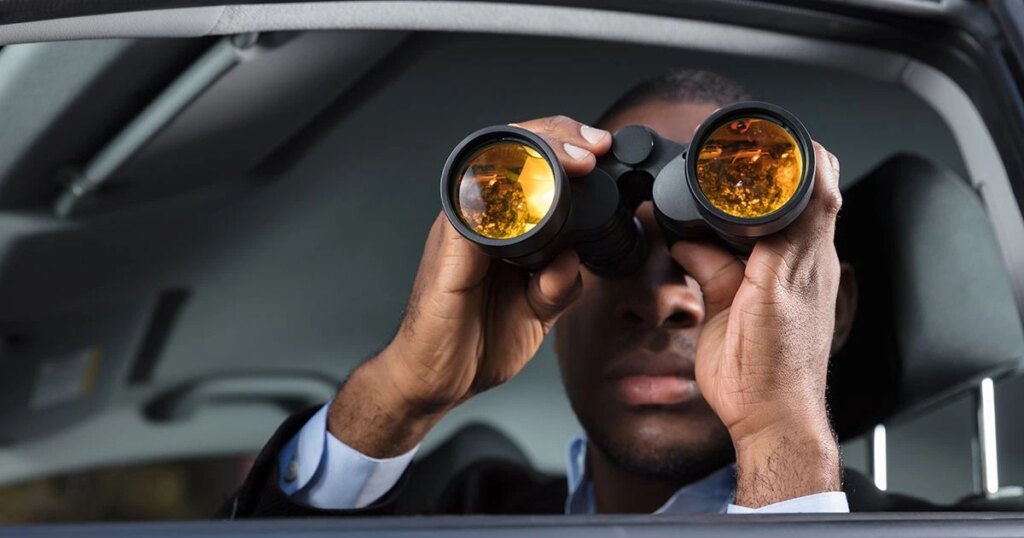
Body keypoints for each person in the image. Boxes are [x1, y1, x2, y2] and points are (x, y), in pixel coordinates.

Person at [221, 69, 864, 518]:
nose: (663, 300)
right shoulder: (462, 514)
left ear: (828, 309)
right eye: (613, 250)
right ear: (551, 292)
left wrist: (780, 436)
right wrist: (399, 393)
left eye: (727, 255)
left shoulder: (960, 532)